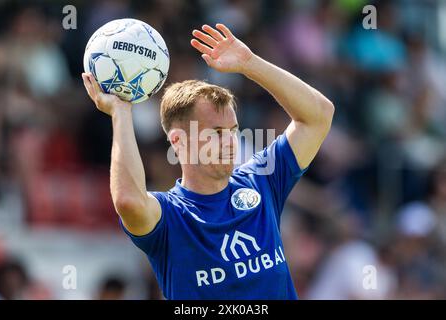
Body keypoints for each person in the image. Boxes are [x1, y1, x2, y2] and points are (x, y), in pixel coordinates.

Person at [82, 23, 334, 299]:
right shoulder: (171, 217)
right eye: (216, 132)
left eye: (233, 131)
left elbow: (318, 116)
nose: (229, 141)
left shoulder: (261, 181)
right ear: (179, 141)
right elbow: (129, 201)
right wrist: (120, 113)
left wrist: (250, 64)